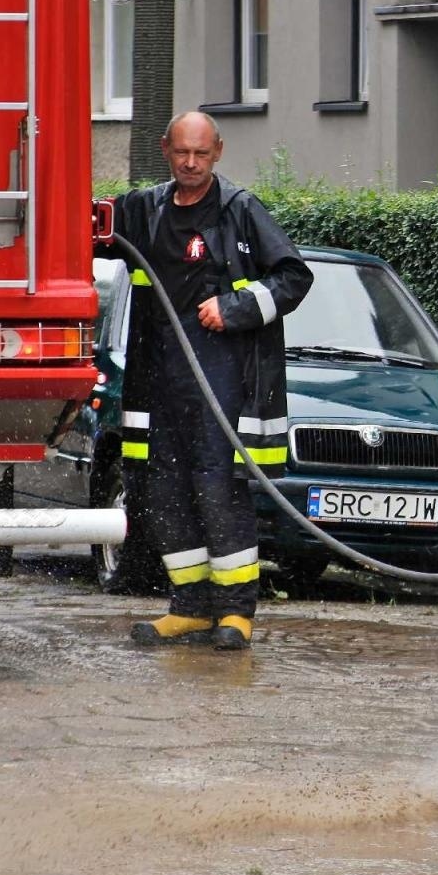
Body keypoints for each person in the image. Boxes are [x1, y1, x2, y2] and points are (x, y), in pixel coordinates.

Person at [107, 111, 313, 650]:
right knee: (164, 494)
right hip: (158, 382)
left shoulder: (240, 212)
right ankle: (189, 606)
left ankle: (235, 613)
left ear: (218, 151)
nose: (191, 164)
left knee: (218, 492)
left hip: (223, 383)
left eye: (201, 153)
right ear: (165, 150)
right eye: (181, 153)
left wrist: (237, 306)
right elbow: (81, 230)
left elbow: (294, 276)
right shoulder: (142, 211)